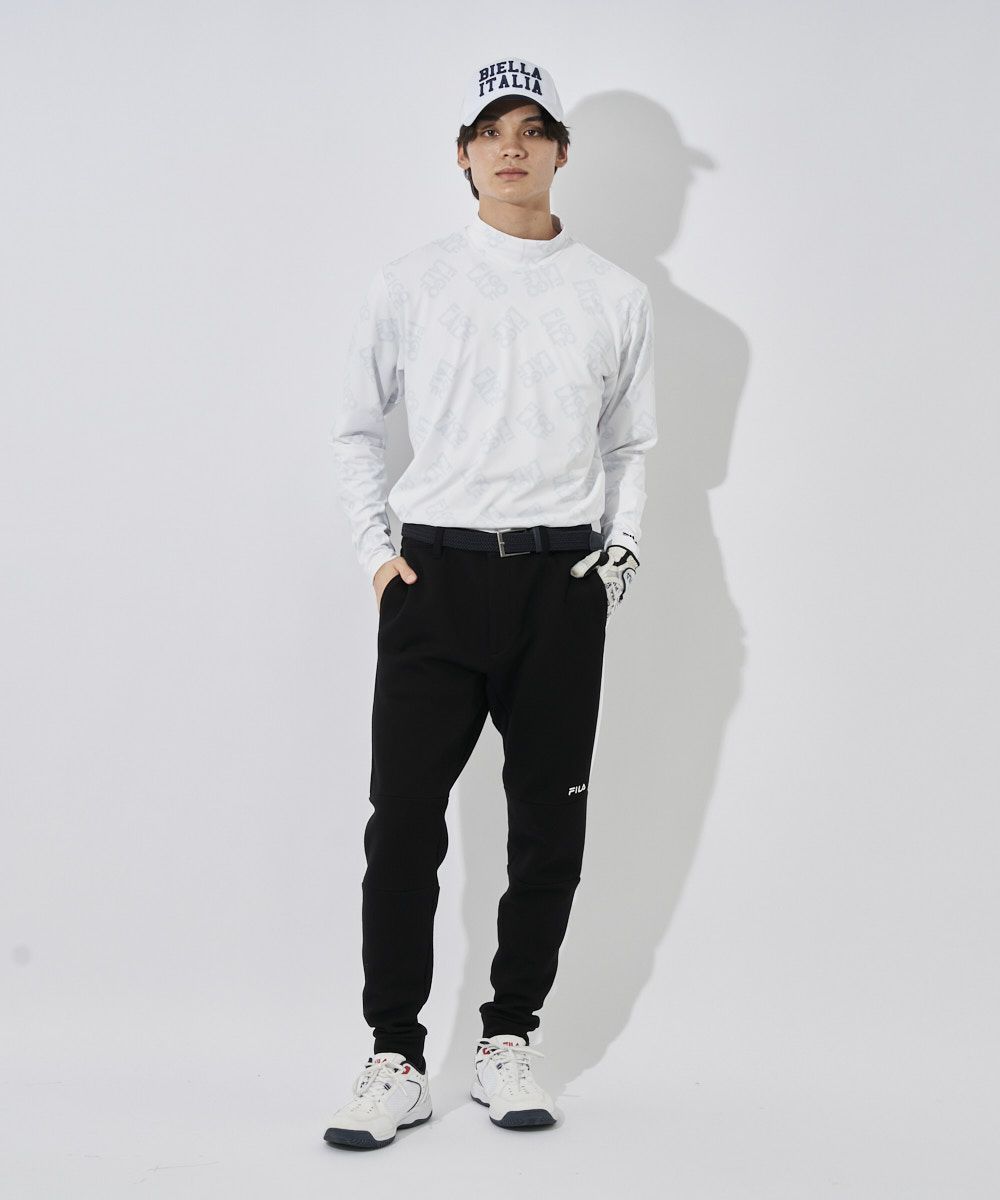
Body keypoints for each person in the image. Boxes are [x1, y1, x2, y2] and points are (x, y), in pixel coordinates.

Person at [323, 56, 657, 1150]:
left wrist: (617, 556)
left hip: (559, 586)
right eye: (491, 131)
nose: (512, 147)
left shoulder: (613, 294)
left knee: (547, 829)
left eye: (532, 129)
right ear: (464, 155)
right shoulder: (411, 283)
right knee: (402, 827)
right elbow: (355, 428)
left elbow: (633, 444)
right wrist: (378, 557)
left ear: (560, 151)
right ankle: (395, 1056)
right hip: (435, 580)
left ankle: (508, 1039)